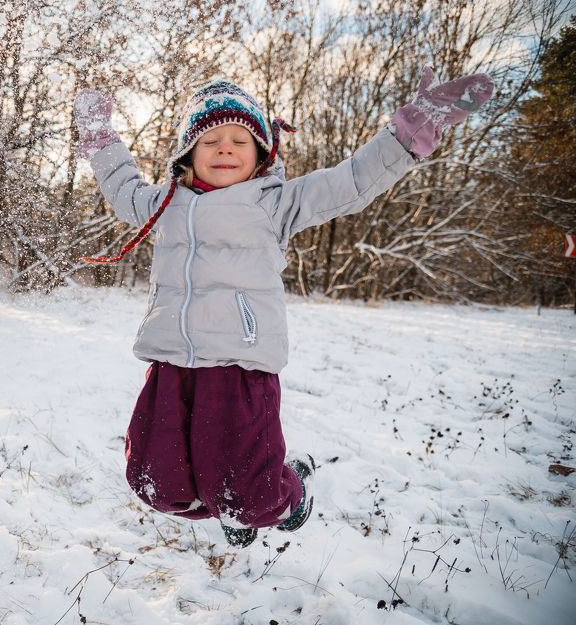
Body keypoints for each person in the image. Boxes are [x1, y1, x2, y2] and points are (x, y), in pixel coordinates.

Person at [73, 69, 494, 547]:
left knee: (249, 497)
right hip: (171, 365)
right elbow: (119, 182)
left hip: (239, 368)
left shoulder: (275, 204)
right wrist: (99, 134)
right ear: (188, 153)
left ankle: (288, 493)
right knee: (156, 484)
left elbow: (349, 182)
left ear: (260, 154)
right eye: (211, 140)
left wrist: (410, 131)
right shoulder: (165, 203)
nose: (225, 148)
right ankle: (227, 502)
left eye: (238, 139)